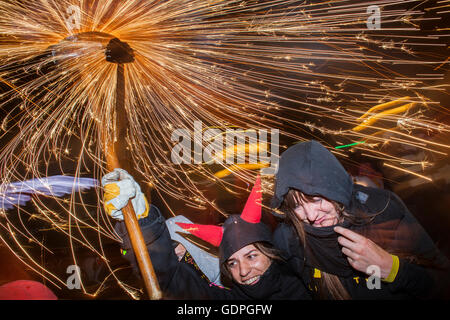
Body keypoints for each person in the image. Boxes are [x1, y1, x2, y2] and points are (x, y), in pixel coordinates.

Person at [270, 140, 450, 299]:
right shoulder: (289, 239)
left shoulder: (382, 210)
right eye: (296, 206)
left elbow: (442, 283)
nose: (310, 216)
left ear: (334, 186)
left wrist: (391, 268)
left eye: (317, 198)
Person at [102, 169, 311, 300]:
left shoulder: (304, 285)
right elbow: (174, 282)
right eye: (232, 263)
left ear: (270, 253)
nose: (243, 271)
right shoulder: (229, 297)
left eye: (251, 256)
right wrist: (143, 222)